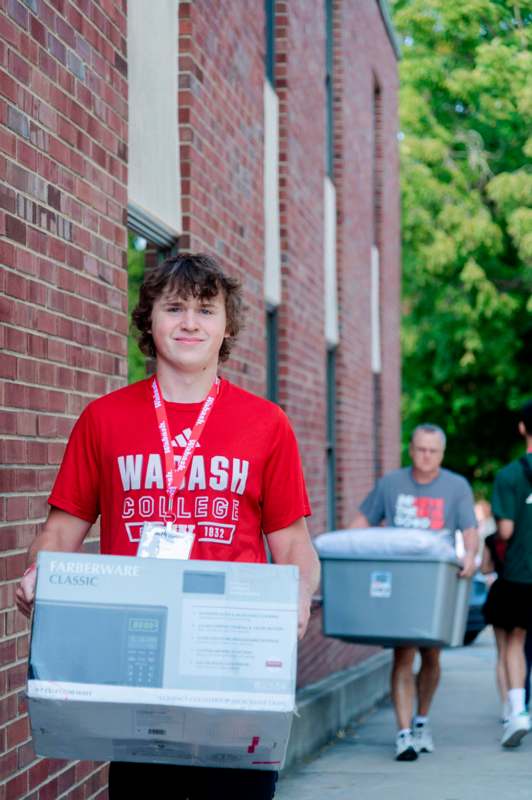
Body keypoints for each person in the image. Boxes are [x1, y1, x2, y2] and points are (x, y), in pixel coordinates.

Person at [16, 253, 321, 799]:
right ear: (149, 321)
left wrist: (298, 596)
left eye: (206, 310)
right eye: (173, 307)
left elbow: (293, 542)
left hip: (231, 666)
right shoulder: (103, 419)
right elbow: (61, 532)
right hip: (138, 665)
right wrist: (41, 573)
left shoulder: (267, 424)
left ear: (227, 326)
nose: (189, 322)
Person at [350, 424, 478, 762]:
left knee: (432, 656)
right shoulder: (391, 484)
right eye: (421, 449)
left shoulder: (456, 486)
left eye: (433, 451)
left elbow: (470, 530)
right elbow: (360, 524)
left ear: (442, 453)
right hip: (400, 584)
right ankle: (404, 733)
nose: (426, 456)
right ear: (411, 449)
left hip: (436, 585)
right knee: (403, 655)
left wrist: (469, 556)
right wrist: (348, 549)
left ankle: (422, 720)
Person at [492, 399, 532, 748]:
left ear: (523, 427)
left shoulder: (509, 475)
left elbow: (505, 532)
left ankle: (518, 711)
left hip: (521, 574)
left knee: (514, 642)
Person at [480, 528, 510, 723]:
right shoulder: (525, 533)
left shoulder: (491, 539)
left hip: (501, 593)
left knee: (503, 654)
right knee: (521, 652)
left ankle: (507, 705)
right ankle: (518, 702)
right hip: (524, 590)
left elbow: (484, 568)